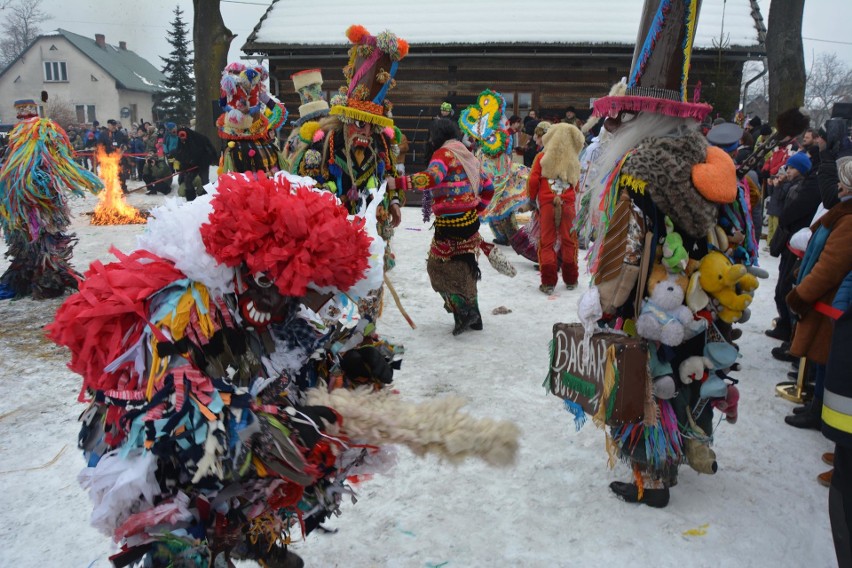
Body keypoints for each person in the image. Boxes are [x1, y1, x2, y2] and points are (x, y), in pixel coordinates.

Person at [47, 171, 519, 568]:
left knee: (309, 450)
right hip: (166, 447)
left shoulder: (288, 304)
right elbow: (168, 415)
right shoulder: (180, 310)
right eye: (282, 287)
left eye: (304, 291)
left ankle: (259, 537)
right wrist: (251, 424)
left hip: (239, 410)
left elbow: (311, 356)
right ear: (252, 268)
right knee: (192, 516)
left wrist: (355, 367)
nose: (290, 302)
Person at [395, 118, 495, 335]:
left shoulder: (443, 154)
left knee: (438, 268)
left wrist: (397, 183)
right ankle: (474, 315)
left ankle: (463, 313)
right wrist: (476, 210)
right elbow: (489, 187)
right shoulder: (467, 154)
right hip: (469, 222)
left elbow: (431, 178)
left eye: (431, 136)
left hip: (449, 225)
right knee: (466, 267)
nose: (430, 140)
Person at [0, 99, 102, 299]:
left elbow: (58, 159)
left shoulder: (28, 131)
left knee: (32, 235)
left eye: (23, 110)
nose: (22, 114)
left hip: (25, 194)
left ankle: (37, 277)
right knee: (39, 235)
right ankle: (43, 279)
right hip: (31, 193)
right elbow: (62, 159)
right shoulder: (34, 130)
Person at [784, 157, 852, 430]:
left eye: (842, 181)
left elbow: (830, 266)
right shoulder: (842, 212)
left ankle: (820, 412)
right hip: (825, 298)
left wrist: (801, 294)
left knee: (826, 359)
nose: (837, 185)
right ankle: (816, 406)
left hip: (829, 300)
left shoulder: (848, 220)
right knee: (823, 358)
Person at [527, 122, 584, 293]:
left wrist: (531, 198)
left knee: (547, 242)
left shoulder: (542, 157)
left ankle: (549, 282)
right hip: (568, 204)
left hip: (547, 204)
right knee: (569, 240)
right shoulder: (573, 160)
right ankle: (571, 279)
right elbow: (577, 185)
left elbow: (532, 180)